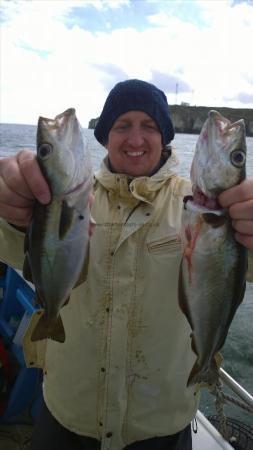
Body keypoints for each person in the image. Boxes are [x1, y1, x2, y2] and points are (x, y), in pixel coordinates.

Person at [0, 79, 253, 450]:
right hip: (67, 412)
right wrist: (10, 208)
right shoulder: (64, 197)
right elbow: (12, 243)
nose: (135, 140)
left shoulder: (209, 209)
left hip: (161, 424)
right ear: (104, 136)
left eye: (148, 126)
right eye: (122, 126)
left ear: (165, 137)